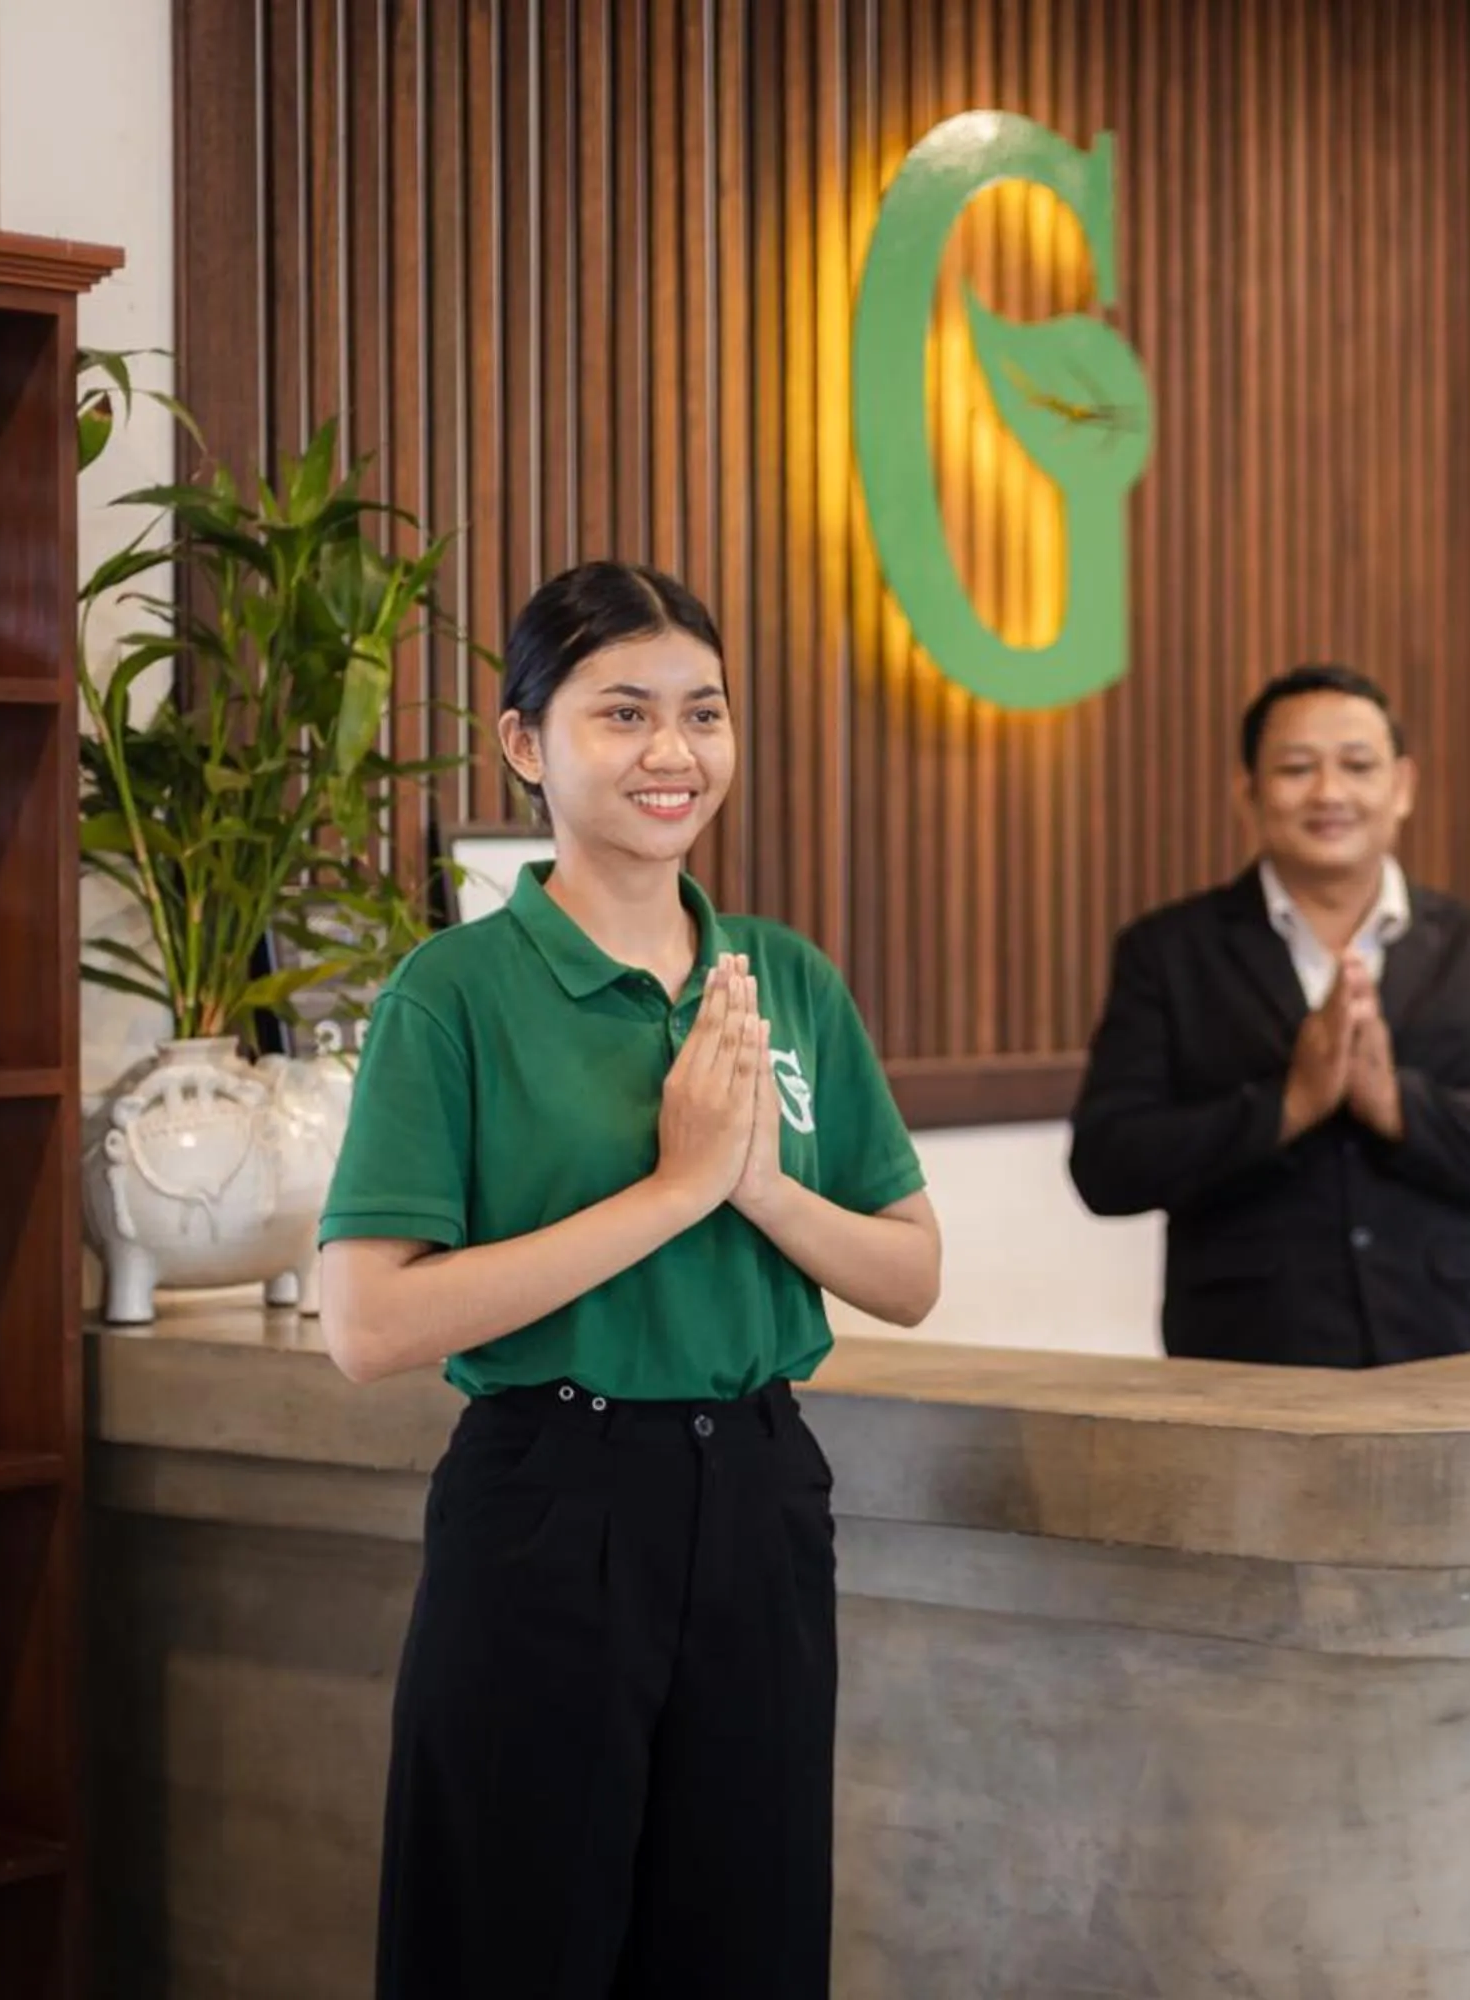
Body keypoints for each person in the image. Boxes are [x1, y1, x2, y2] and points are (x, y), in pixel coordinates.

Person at [314, 561, 941, 1999]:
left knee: (748, 1939)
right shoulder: (454, 992)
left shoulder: (786, 978)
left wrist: (759, 1181)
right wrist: (672, 1192)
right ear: (526, 743)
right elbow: (367, 1324)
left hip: (766, 1498)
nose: (674, 753)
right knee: (515, 1940)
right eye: (624, 714)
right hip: (549, 1498)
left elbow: (908, 1275)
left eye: (704, 713)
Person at [1068, 664, 1470, 1366]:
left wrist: (1399, 1105)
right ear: (1247, 792)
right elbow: (1105, 1166)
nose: (1329, 793)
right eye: (1295, 768)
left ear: (1402, 786)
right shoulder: (1169, 952)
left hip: (1441, 1365)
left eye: (1357, 765)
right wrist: (1285, 1106)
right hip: (1241, 1376)